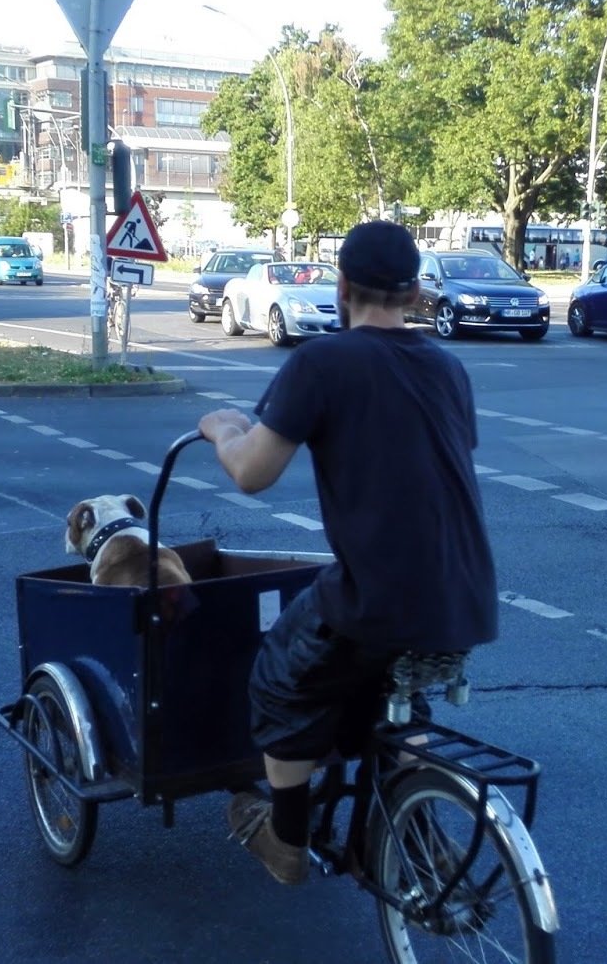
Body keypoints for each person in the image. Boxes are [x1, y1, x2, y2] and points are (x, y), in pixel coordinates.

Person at [197, 220, 498, 886]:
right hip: (465, 594)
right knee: (398, 691)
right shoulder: (448, 367)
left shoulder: (322, 362)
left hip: (376, 591)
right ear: (415, 293)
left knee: (279, 680)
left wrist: (223, 428)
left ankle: (286, 839)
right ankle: (411, 827)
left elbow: (251, 472)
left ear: (340, 287)